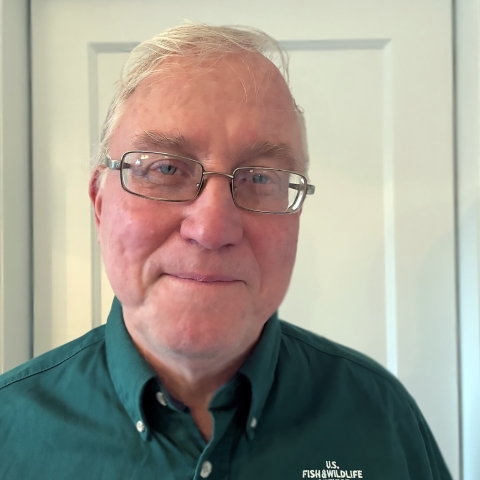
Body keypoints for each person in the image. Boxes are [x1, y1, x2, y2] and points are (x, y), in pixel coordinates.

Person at [0, 23, 452, 480]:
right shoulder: (9, 431)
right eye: (165, 168)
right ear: (100, 202)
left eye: (260, 178)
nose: (212, 228)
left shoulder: (382, 419)